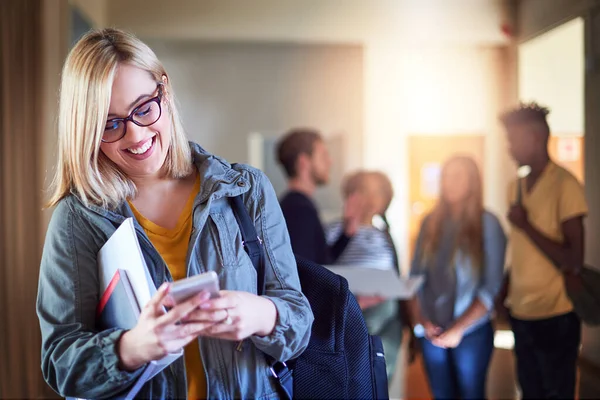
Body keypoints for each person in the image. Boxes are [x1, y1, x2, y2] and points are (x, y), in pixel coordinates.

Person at [36, 28, 313, 400]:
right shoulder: (78, 219)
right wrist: (133, 347)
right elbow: (61, 362)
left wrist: (260, 314)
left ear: (164, 90)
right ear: (86, 130)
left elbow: (298, 321)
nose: (135, 136)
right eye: (110, 124)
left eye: (144, 108)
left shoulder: (246, 190)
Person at [499, 103, 587, 399]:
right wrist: (504, 293)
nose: (509, 148)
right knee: (530, 392)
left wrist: (526, 226)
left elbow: (573, 260)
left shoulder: (566, 184)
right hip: (521, 312)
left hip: (557, 314)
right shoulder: (515, 186)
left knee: (557, 393)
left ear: (534, 138)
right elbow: (522, 253)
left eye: (513, 139)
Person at [409, 155, 506, 399]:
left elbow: (491, 288)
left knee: (470, 394)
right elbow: (414, 278)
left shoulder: (488, 223)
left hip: (471, 332)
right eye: (445, 176)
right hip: (432, 330)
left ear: (472, 182)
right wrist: (420, 321)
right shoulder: (430, 222)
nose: (448, 182)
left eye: (456, 176)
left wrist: (459, 329)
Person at [326, 171, 404, 383]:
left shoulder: (385, 235)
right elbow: (323, 269)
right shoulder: (334, 230)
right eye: (365, 191)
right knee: (353, 379)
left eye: (378, 192)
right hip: (352, 312)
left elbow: (395, 274)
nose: (372, 198)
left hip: (386, 316)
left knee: (379, 378)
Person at [276, 128, 361, 264]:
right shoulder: (299, 209)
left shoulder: (297, 205)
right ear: (304, 162)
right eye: (323, 155)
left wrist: (346, 233)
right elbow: (307, 273)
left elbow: (320, 263)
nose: (330, 161)